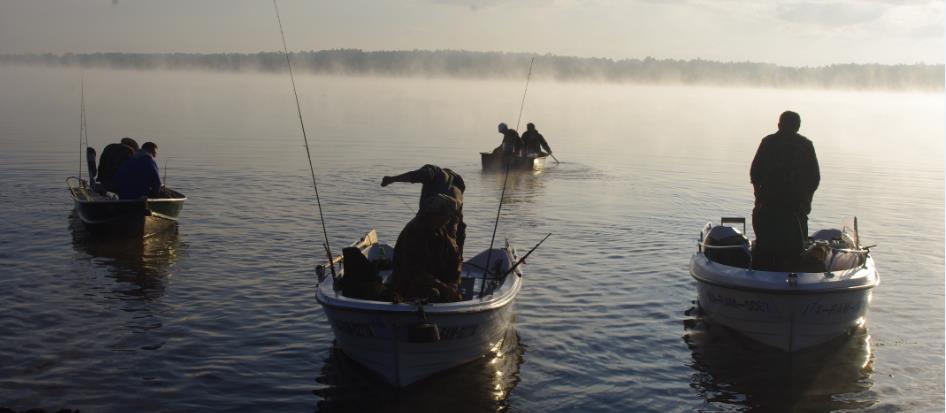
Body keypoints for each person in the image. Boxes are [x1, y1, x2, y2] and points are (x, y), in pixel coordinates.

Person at [750, 111, 820, 270]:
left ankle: (761, 276)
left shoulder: (768, 142)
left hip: (770, 205)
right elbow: (814, 178)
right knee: (795, 250)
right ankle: (793, 279)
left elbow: (755, 173)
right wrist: (808, 200)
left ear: (779, 124)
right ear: (798, 126)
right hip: (794, 206)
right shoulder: (805, 145)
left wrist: (758, 195)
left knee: (764, 247)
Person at [386, 193, 463, 303]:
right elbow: (414, 272)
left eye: (450, 217)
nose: (448, 220)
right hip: (407, 284)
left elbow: (456, 257)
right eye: (447, 216)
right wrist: (444, 288)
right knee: (433, 294)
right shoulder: (414, 232)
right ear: (435, 214)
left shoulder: (440, 230)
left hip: (432, 281)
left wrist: (454, 283)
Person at [381, 164, 466, 254]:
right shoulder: (459, 193)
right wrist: (459, 256)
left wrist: (392, 179)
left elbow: (417, 175)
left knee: (414, 244)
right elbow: (461, 232)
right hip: (449, 234)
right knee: (448, 251)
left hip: (427, 222)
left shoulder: (437, 172)